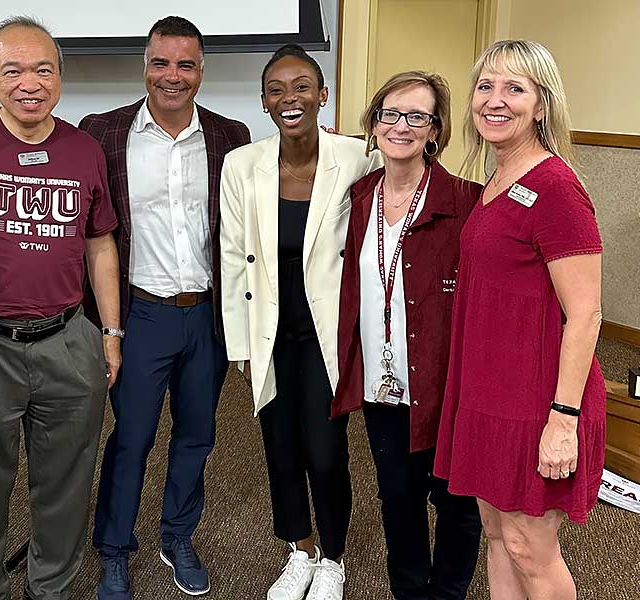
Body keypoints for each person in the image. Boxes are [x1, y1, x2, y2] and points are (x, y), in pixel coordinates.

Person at [0, 16, 121, 600]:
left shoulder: (84, 149)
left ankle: (51, 589)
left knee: (65, 484)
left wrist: (109, 332)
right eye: (12, 70)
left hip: (69, 339)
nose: (29, 82)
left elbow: (100, 242)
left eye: (43, 69)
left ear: (61, 76)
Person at [80, 17, 250, 600]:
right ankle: (114, 550)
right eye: (161, 62)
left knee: (198, 435)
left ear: (201, 71)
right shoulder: (101, 133)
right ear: (144, 65)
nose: (171, 76)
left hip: (207, 316)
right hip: (140, 315)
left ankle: (177, 535)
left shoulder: (232, 137)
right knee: (131, 437)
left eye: (185, 64)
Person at [433, 40, 605, 600]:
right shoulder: (499, 180)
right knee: (497, 535)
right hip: (489, 392)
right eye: (486, 86)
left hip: (541, 400)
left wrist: (563, 419)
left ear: (541, 104)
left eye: (515, 88)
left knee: (531, 548)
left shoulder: (557, 188)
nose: (495, 100)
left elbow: (586, 315)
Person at [220, 44, 380, 600]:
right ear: (264, 102)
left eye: (301, 86)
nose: (290, 98)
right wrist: (239, 345)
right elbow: (231, 253)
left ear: (323, 95)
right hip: (269, 329)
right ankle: (300, 550)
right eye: (276, 89)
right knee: (279, 445)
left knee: (327, 448)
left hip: (328, 333)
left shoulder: (358, 157)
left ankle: (333, 557)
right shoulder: (242, 164)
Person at [331, 72, 483, 600]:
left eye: (417, 116)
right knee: (397, 498)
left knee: (456, 501)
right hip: (382, 383)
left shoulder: (466, 202)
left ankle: (448, 593)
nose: (401, 126)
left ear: (434, 130)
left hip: (446, 386)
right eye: (390, 114)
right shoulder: (358, 196)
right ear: (373, 125)